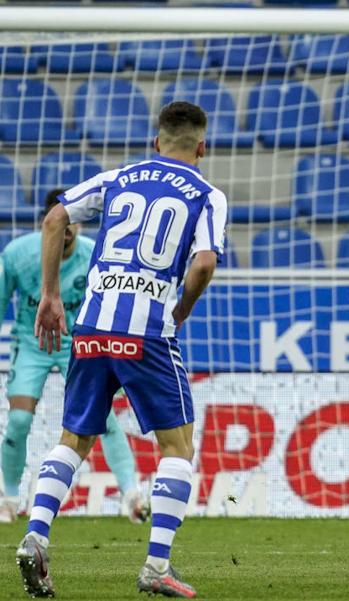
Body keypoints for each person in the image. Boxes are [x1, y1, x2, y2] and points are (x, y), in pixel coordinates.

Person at [17, 101, 227, 599]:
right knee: (177, 447)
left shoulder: (118, 176)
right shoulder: (206, 193)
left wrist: (49, 296)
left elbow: (54, 218)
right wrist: (182, 311)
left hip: (91, 327)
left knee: (73, 439)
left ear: (156, 142)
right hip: (148, 331)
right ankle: (156, 567)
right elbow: (203, 263)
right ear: (202, 147)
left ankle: (35, 535)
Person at [1, 191, 147, 525]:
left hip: (77, 343)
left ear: (77, 224)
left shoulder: (94, 254)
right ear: (45, 222)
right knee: (20, 421)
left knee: (104, 419)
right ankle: (9, 499)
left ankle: (131, 495)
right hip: (32, 341)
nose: (66, 230)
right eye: (58, 222)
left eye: (71, 222)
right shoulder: (17, 254)